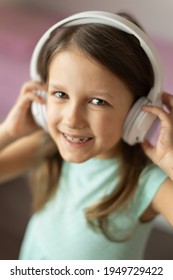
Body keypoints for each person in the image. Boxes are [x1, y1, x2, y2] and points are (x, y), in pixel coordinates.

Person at [0, 11, 173, 260]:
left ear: (138, 114)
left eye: (97, 101)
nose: (72, 119)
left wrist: (170, 161)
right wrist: (8, 132)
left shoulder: (145, 182)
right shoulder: (47, 146)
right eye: (60, 94)